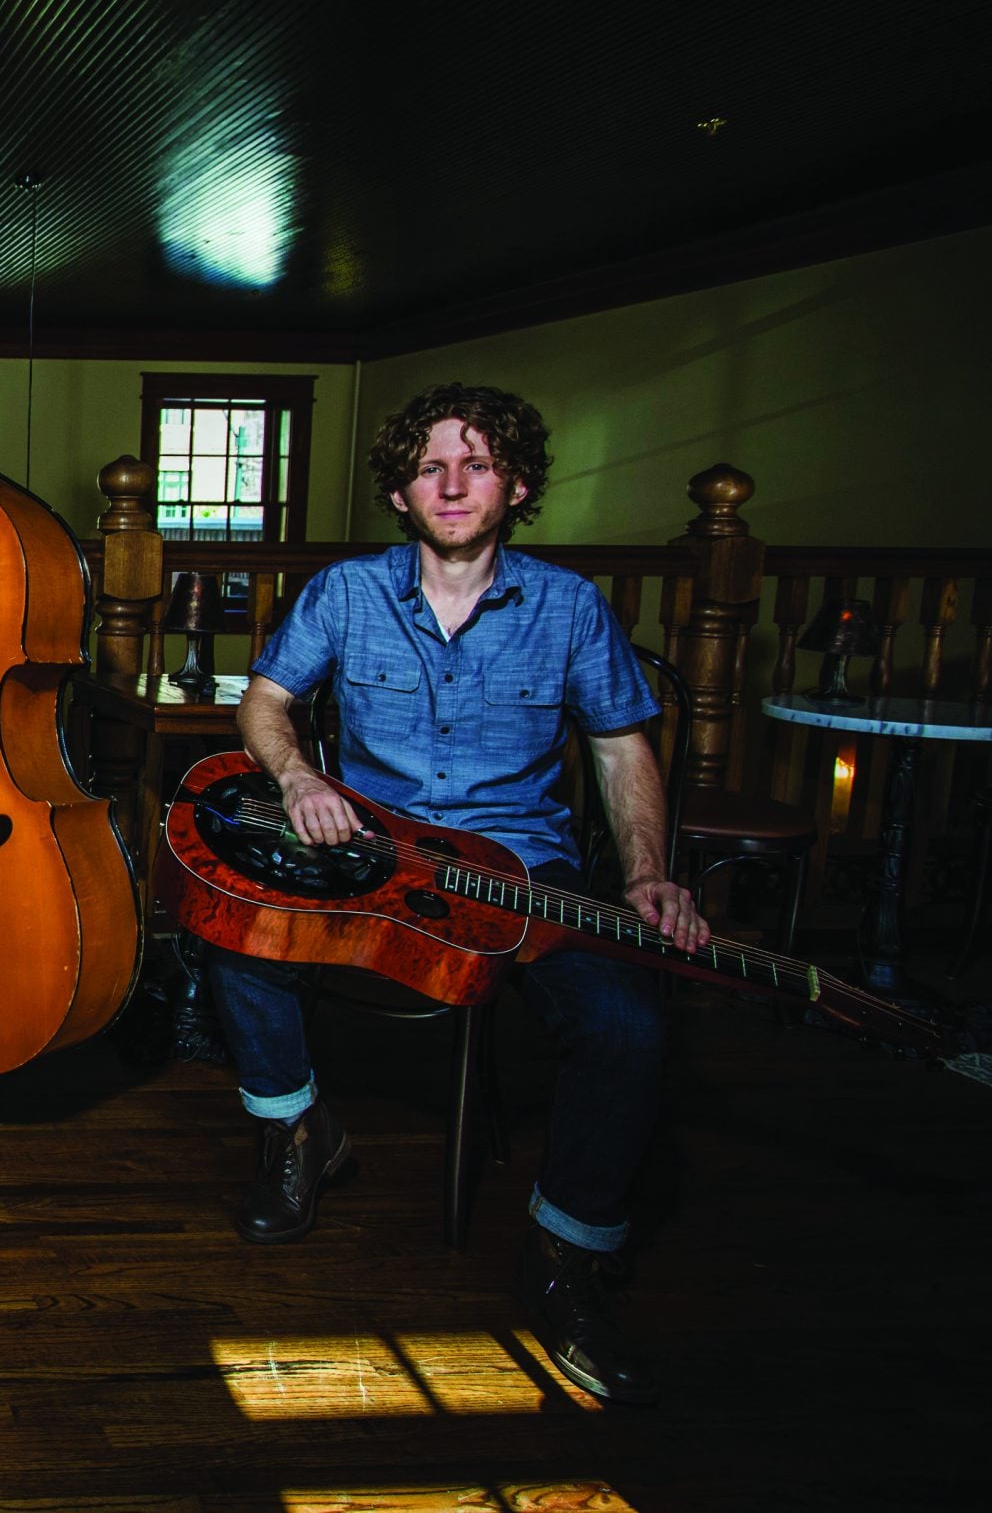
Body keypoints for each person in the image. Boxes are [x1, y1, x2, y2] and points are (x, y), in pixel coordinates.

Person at [206, 383, 709, 1406]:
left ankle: (566, 1256)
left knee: (626, 1026)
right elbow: (265, 701)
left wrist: (650, 872)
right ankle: (300, 1128)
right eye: (430, 465)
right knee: (232, 932)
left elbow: (620, 751)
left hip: (525, 868)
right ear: (400, 489)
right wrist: (301, 779)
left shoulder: (570, 605)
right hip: (374, 859)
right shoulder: (347, 592)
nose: (450, 483)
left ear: (516, 485)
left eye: (475, 463)